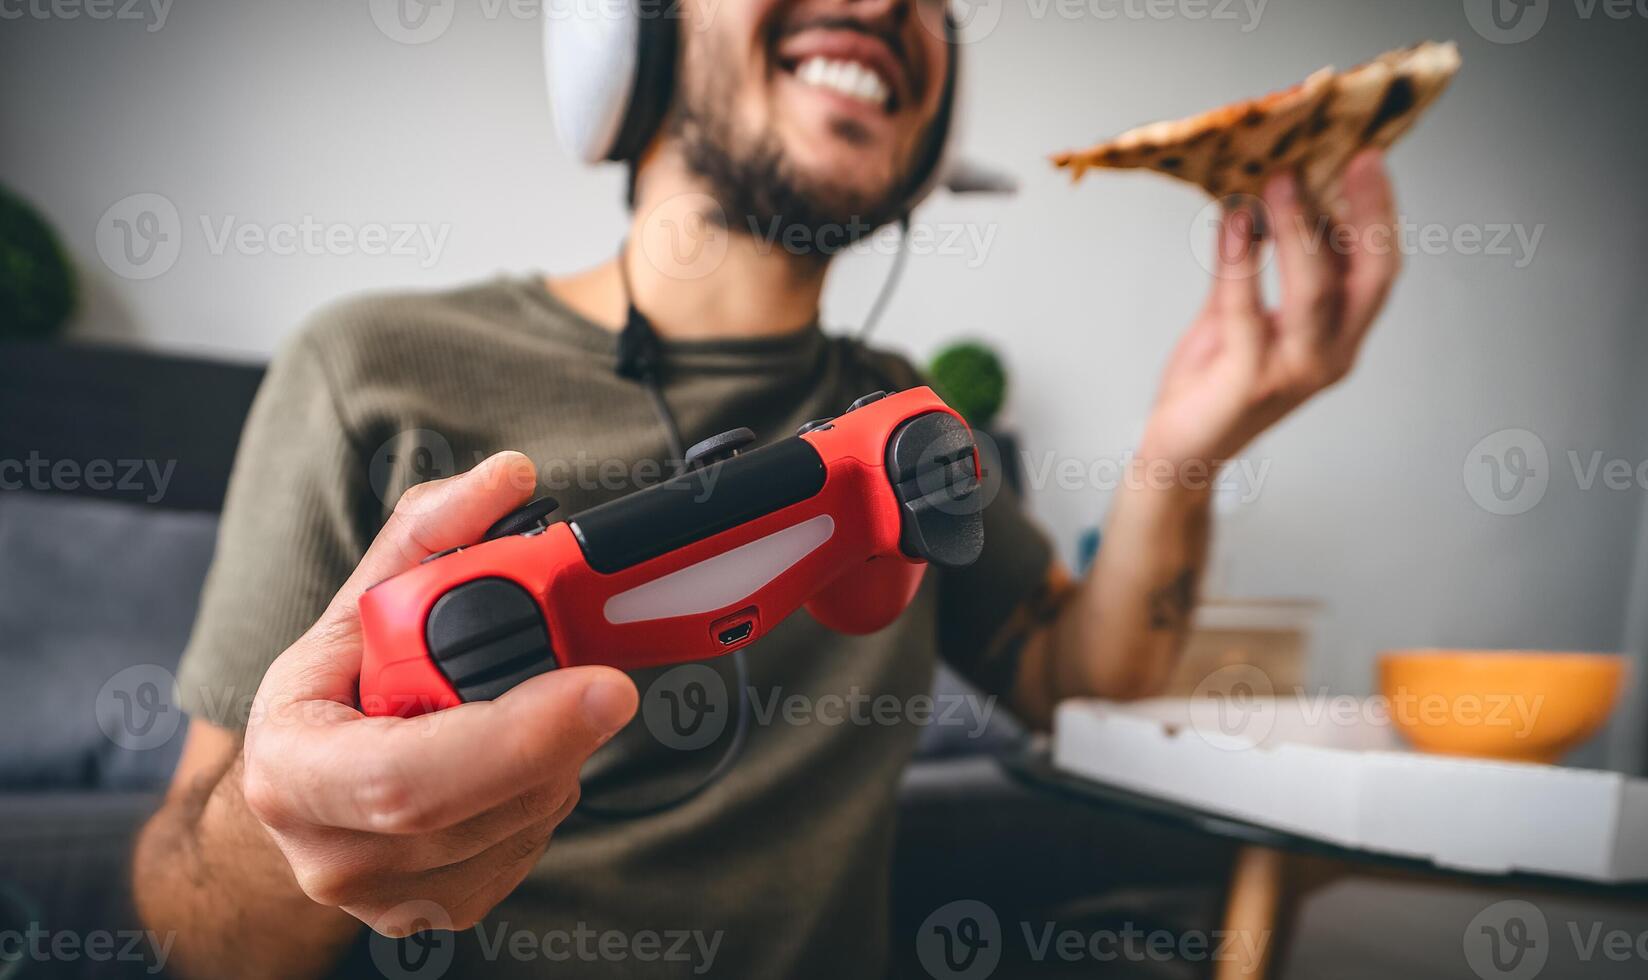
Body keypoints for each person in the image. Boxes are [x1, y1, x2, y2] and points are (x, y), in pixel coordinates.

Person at [132, 0, 1402, 976]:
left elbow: (1081, 681)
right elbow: (196, 924)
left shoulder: (905, 422)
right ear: (630, 35)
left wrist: (1188, 439)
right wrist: (291, 834)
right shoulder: (372, 369)